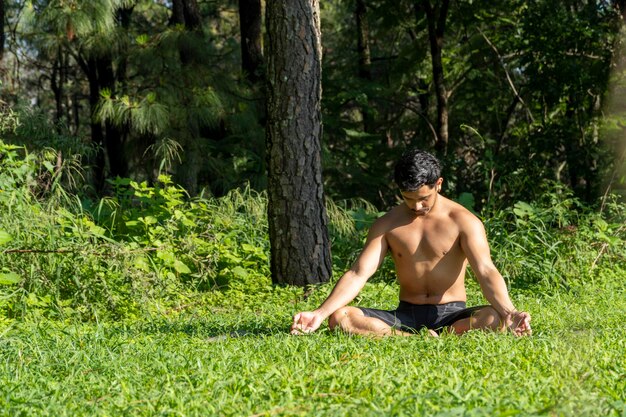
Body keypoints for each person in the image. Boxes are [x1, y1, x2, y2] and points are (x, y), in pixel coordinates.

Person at [291, 148, 531, 337]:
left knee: (494, 318)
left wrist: (510, 312)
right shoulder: (387, 224)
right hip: (405, 315)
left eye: (423, 198)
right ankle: (413, 338)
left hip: (453, 314)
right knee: (340, 317)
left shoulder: (464, 221)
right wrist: (320, 314)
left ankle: (442, 335)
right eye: (408, 199)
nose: (417, 206)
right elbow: (358, 273)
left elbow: (485, 270)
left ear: (439, 184)